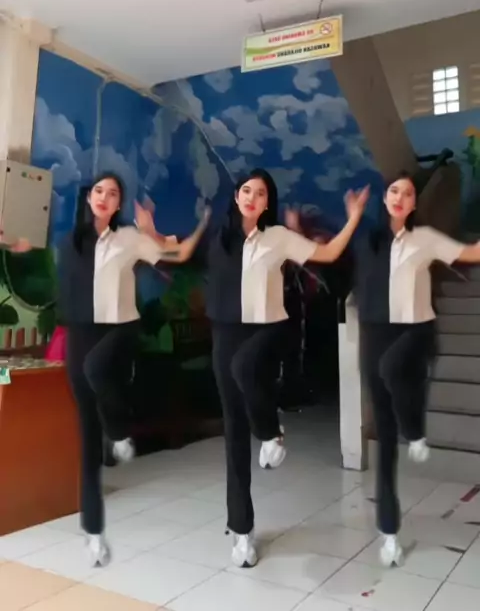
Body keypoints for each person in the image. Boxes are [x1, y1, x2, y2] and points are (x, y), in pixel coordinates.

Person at [205, 168, 369, 568]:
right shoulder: (220, 240)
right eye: (246, 190)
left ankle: (270, 432)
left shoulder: (277, 237)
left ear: (267, 203)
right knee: (234, 437)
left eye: (260, 193)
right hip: (225, 335)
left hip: (266, 333)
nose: (251, 197)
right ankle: (242, 532)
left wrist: (353, 218)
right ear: (236, 196)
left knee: (245, 368)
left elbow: (327, 254)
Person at [58, 172, 208, 567]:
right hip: (81, 334)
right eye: (99, 191)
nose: (104, 197)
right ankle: (94, 534)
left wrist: (154, 231)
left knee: (96, 370)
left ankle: (121, 429)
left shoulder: (129, 238)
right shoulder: (71, 242)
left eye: (113, 193)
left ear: (119, 204)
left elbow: (178, 255)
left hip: (118, 331)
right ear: (89, 198)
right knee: (88, 441)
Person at [354, 171, 480, 567]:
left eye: (407, 193)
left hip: (416, 333)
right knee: (385, 446)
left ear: (413, 204)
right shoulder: (369, 241)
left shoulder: (425, 239)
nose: (400, 197)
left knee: (393, 370)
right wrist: (351, 219)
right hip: (376, 336)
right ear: (385, 198)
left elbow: (470, 253)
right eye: (394, 191)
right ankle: (389, 534)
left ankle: (415, 430)